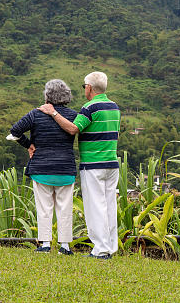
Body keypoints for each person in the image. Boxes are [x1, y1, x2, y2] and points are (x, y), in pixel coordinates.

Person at [39, 71, 120, 259]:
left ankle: (100, 250)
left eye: (84, 86)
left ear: (89, 88)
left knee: (95, 206)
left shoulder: (89, 108)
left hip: (93, 164)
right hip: (111, 163)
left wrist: (53, 113)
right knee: (109, 206)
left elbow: (73, 129)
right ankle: (110, 246)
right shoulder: (114, 107)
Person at [7, 79, 78, 255]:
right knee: (65, 209)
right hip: (65, 169)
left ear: (47, 96)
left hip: (41, 168)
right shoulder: (73, 116)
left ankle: (45, 243)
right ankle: (65, 246)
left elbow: (15, 131)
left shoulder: (36, 114)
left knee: (44, 208)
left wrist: (28, 144)